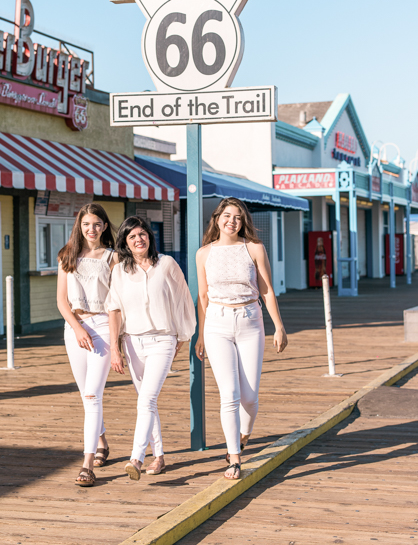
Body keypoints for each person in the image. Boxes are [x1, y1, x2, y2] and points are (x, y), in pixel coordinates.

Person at [194, 197, 288, 480]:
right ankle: (233, 457)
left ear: (243, 221)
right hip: (217, 324)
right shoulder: (204, 253)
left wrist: (279, 326)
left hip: (250, 321)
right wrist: (200, 333)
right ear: (217, 218)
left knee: (249, 396)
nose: (231, 221)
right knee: (229, 395)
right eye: (226, 215)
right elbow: (202, 296)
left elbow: (267, 290)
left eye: (237, 216)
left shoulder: (254, 248)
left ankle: (245, 434)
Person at [106, 216, 195, 480]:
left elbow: (183, 299)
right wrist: (115, 348)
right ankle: (159, 457)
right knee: (148, 402)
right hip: (133, 342)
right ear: (125, 242)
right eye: (132, 237)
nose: (139, 240)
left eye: (142, 234)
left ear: (150, 237)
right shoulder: (120, 271)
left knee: (147, 399)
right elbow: (113, 309)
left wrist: (183, 335)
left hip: (163, 340)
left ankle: (136, 457)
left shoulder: (166, 264)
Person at [55, 203, 119, 487]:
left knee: (93, 394)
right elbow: (61, 301)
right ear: (79, 227)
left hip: (103, 327)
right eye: (86, 225)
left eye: (96, 224)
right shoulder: (67, 256)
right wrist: (77, 328)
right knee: (86, 395)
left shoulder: (113, 258)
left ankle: (87, 464)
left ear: (104, 226)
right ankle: (103, 442)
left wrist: (118, 341)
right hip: (74, 329)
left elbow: (118, 302)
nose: (91, 229)